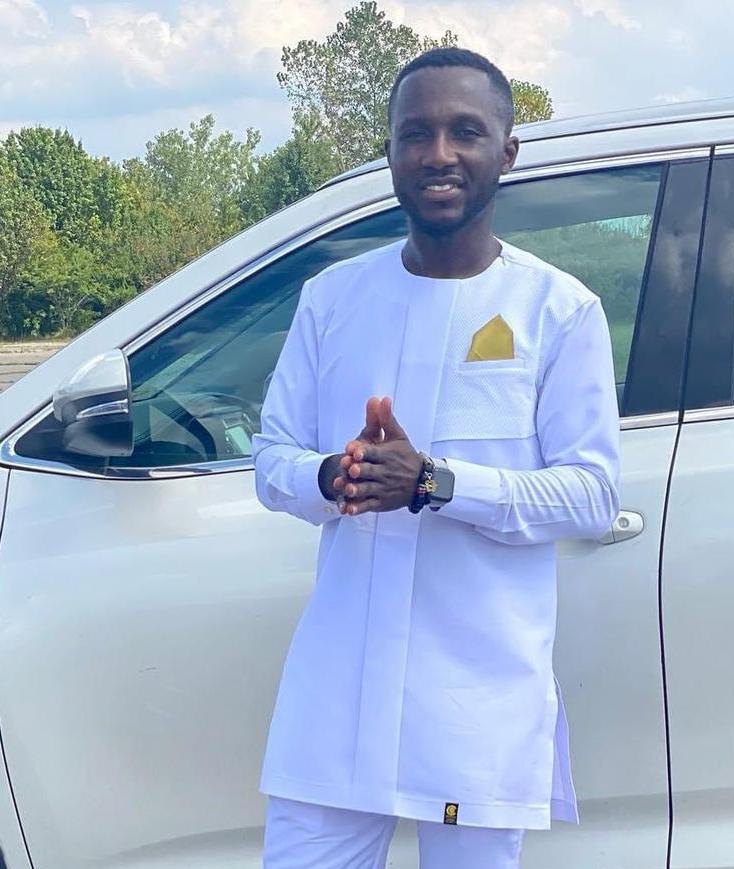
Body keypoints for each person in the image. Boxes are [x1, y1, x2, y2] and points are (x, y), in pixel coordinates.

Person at [252, 47, 620, 869]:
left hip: (473, 700)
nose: (438, 154)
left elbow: (590, 493)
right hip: (337, 694)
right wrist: (332, 475)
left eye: (465, 132)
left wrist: (434, 482)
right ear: (389, 151)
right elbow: (273, 458)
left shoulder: (557, 310)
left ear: (506, 152)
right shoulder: (333, 299)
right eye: (415, 134)